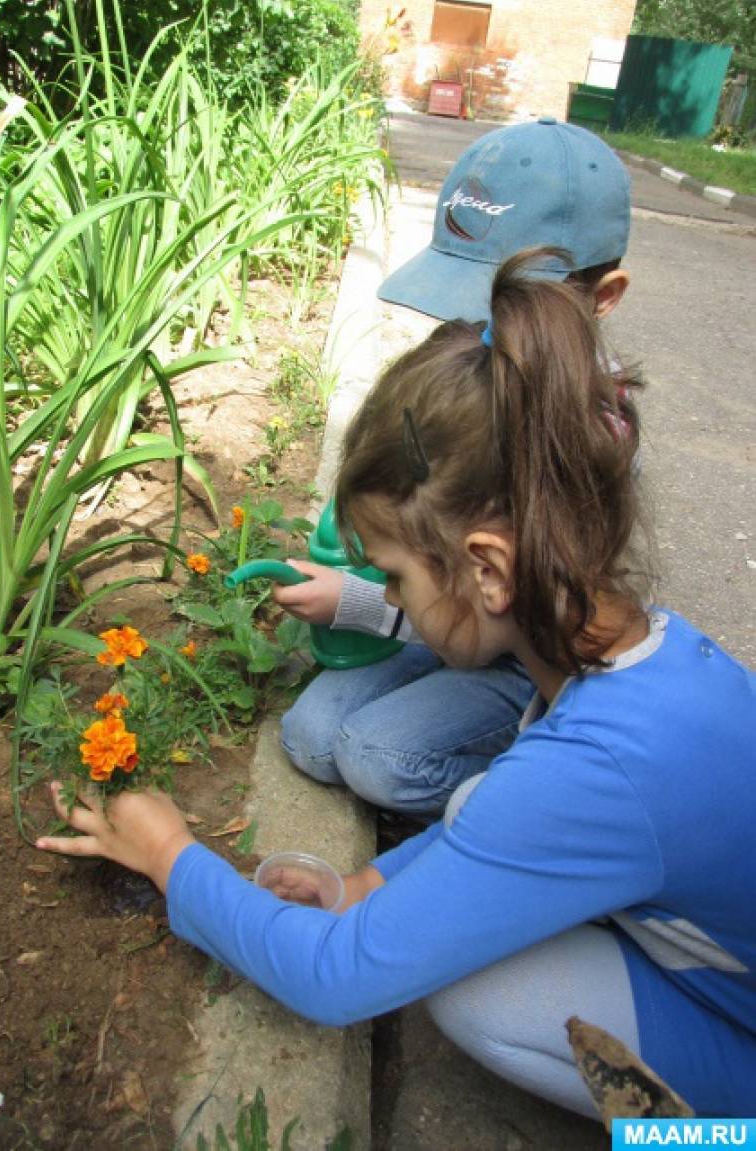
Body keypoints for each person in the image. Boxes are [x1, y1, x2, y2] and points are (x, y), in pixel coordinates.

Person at [37, 251, 756, 1117]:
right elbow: (496, 825)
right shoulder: (636, 656)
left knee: (475, 995)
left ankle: (701, 1139)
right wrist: (363, 888)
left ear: (486, 569)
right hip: (713, 967)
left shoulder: (597, 768)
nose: (391, 597)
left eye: (397, 578)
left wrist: (170, 859)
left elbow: (337, 979)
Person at [276, 118, 634, 818]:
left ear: (604, 296)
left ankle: (529, 806)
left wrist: (361, 603)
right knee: (315, 738)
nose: (471, 330)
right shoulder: (475, 383)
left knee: (378, 756)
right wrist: (363, 593)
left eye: (498, 307)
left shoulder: (587, 437)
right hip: (450, 625)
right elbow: (442, 574)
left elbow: (502, 614)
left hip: (524, 655)